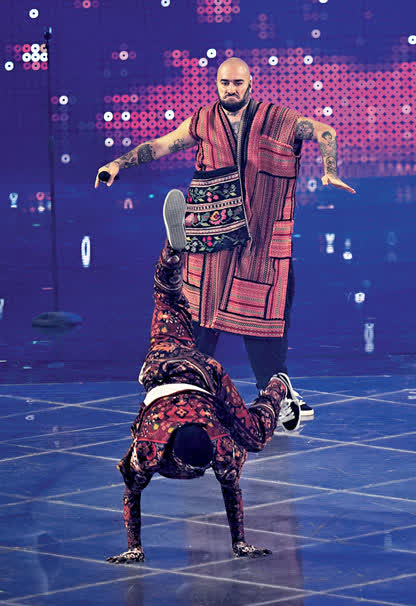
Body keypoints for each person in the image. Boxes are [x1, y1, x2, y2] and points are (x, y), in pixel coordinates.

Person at [95, 57, 356, 412]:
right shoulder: (203, 120)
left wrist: (330, 170)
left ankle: (276, 397)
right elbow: (160, 145)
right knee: (200, 316)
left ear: (250, 83)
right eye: (224, 83)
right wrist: (117, 164)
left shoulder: (276, 118)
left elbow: (325, 132)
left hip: (262, 238)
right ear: (217, 84)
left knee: (267, 317)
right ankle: (187, 392)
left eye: (237, 83)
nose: (230, 89)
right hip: (212, 235)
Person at [106, 190, 303, 564]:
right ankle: (278, 383)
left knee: (255, 436)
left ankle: (277, 383)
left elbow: (133, 493)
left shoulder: (155, 449)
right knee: (167, 301)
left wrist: (135, 548)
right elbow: (230, 492)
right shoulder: (183, 447)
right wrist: (239, 542)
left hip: (198, 375)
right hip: (172, 364)